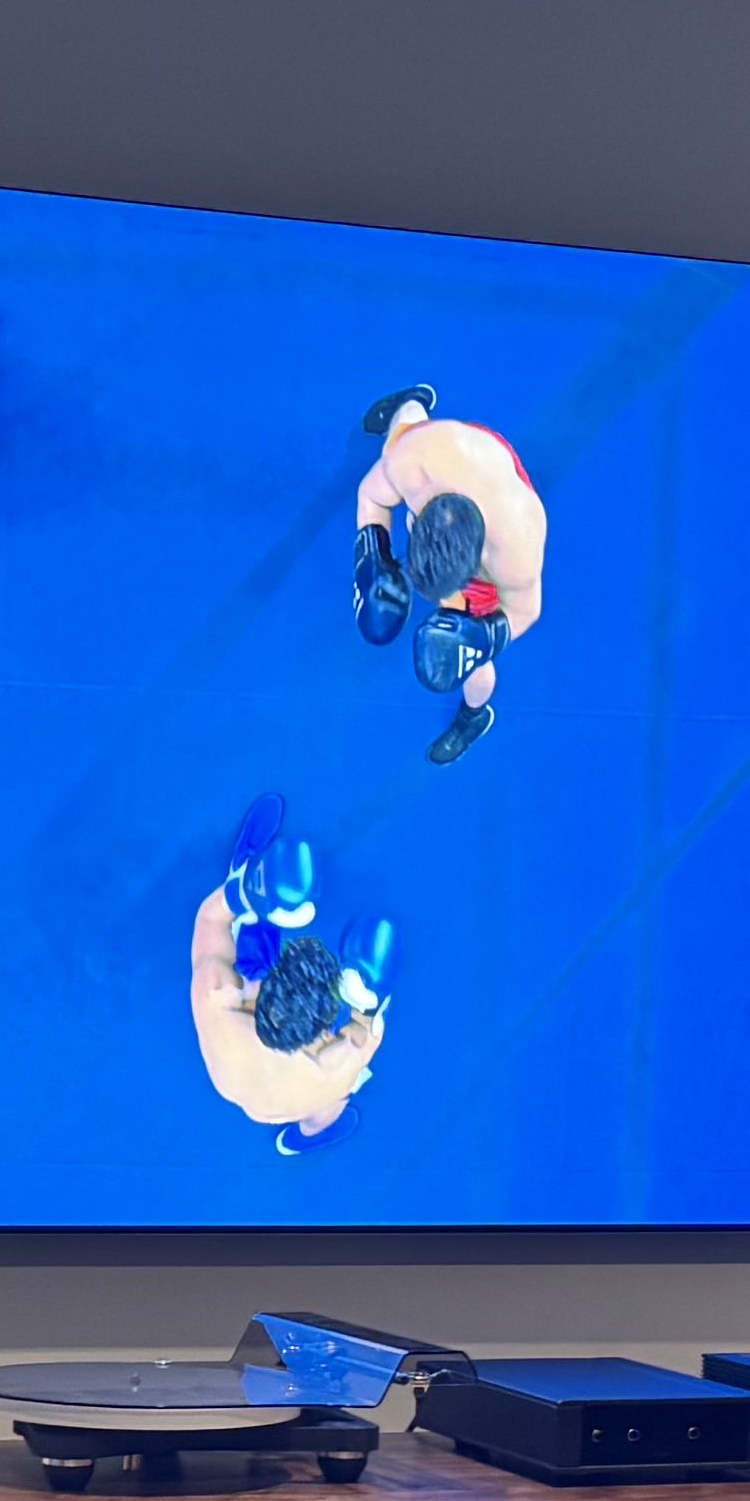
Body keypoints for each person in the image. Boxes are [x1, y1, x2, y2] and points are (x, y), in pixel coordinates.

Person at [347, 383, 545, 762]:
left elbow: (527, 610)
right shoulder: (410, 462)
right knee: (405, 427)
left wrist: (480, 640)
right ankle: (410, 401)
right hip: (445, 451)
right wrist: (375, 558)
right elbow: (370, 497)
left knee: (477, 666)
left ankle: (473, 718)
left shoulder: (516, 549)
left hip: (493, 489)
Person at [184, 794, 395, 1148]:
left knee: (248, 939)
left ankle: (247, 875)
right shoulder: (336, 1067)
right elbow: (369, 1029)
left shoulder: (215, 998)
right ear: (326, 1022)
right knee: (328, 1107)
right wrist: (367, 996)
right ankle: (308, 1135)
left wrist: (247, 893)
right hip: (295, 1102)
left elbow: (209, 919)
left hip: (235, 1087)